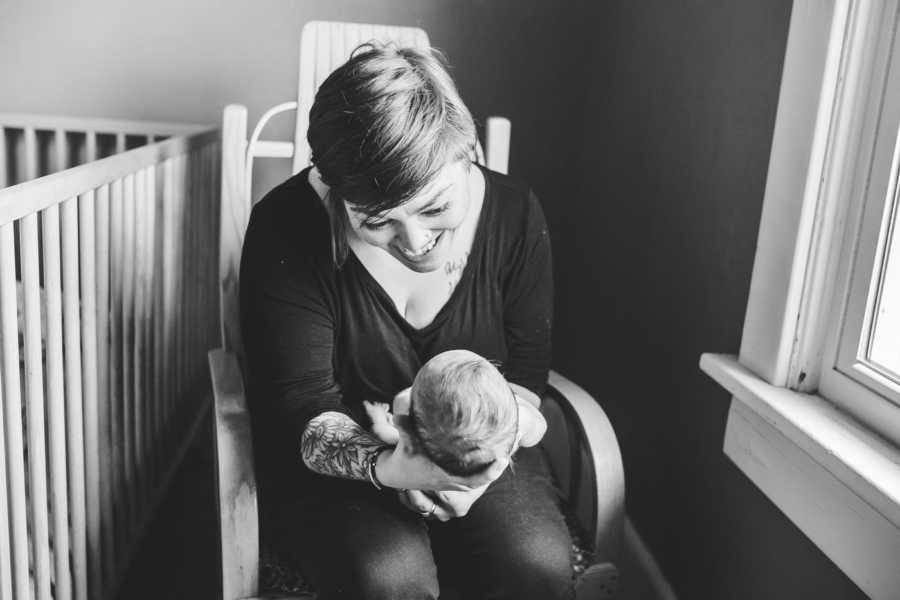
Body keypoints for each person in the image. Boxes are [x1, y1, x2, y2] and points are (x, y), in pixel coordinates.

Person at [240, 41, 573, 600]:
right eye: (377, 220)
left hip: (482, 442)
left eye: (436, 207)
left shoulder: (516, 215)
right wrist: (393, 469)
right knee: (388, 577)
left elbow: (526, 380)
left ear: (467, 152)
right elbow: (297, 409)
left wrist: (478, 468)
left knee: (534, 566)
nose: (416, 242)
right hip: (338, 461)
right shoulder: (284, 226)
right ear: (332, 189)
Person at [363, 349, 548, 477]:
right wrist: (519, 418)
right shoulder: (501, 439)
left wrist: (379, 418)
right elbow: (537, 431)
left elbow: (384, 432)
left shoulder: (416, 448)